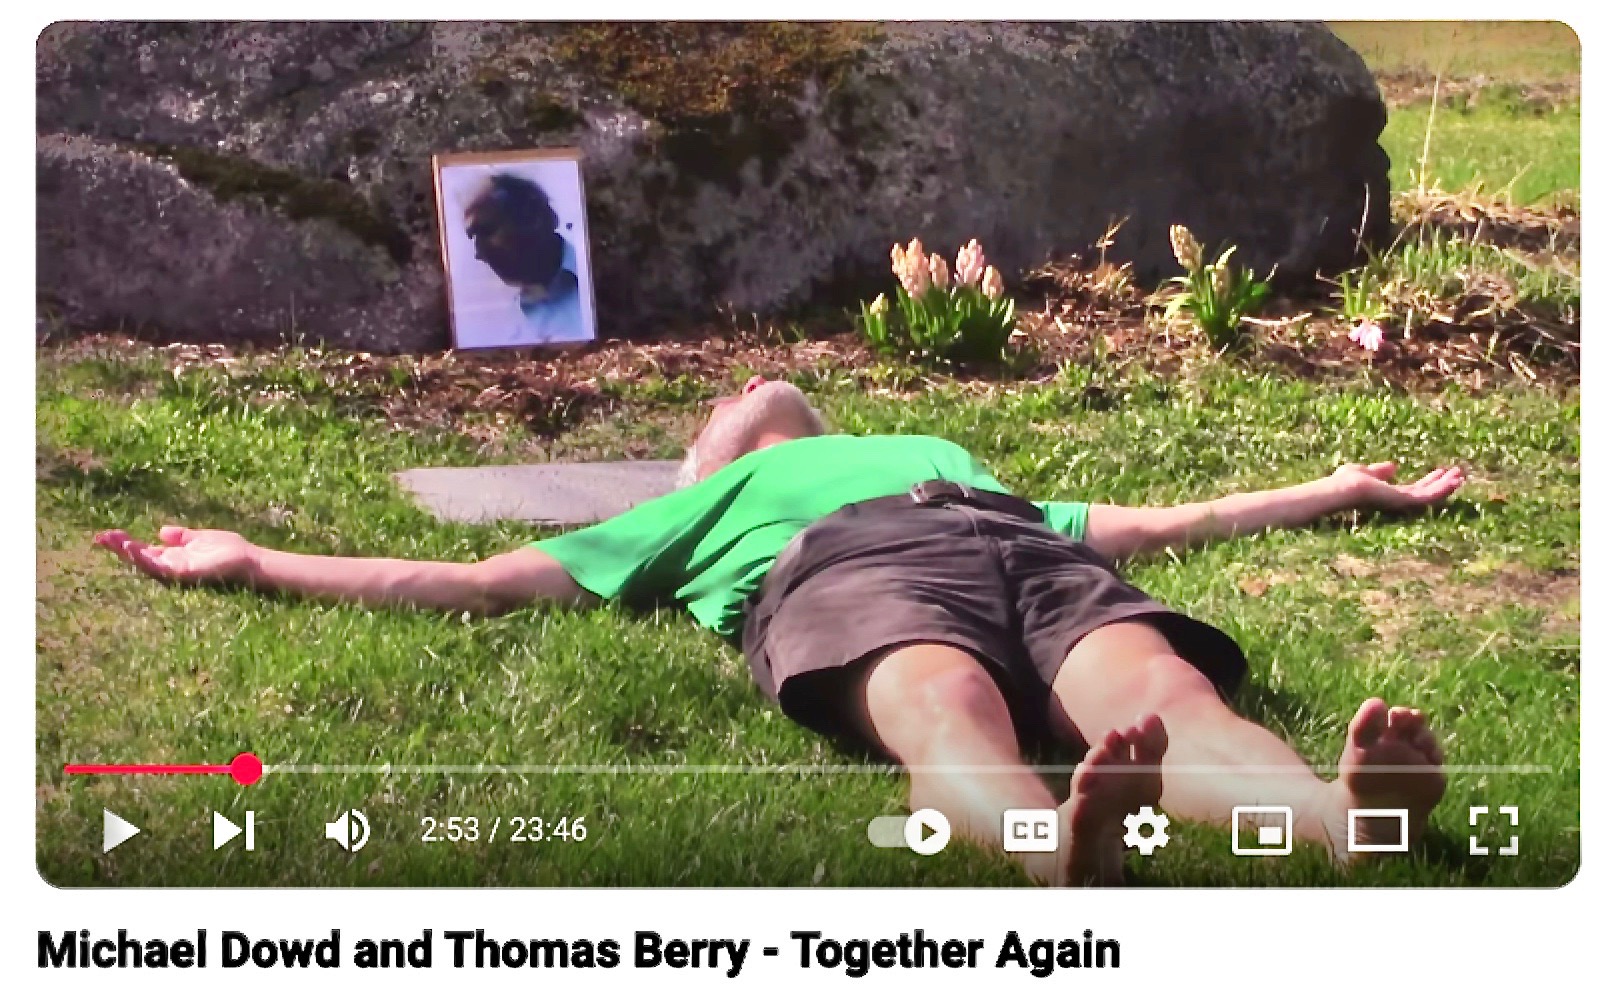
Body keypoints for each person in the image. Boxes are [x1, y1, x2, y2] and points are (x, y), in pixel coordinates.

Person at [95, 376, 1463, 885]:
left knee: (1163, 685)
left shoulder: (935, 448)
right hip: (847, 569)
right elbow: (471, 581)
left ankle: (1344, 821)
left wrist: (1339, 487)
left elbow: (1162, 522)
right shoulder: (686, 511)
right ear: (698, 465)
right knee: (937, 704)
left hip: (1007, 538)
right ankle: (1050, 846)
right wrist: (255, 557)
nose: (748, 393)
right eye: (718, 414)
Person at [460, 173, 584, 345]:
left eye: (486, 231)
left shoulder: (596, 275)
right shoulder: (505, 325)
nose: (479, 254)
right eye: (474, 237)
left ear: (533, 219)